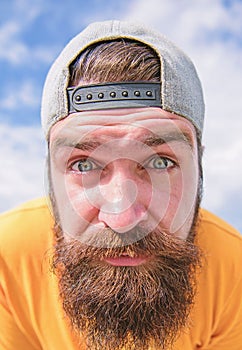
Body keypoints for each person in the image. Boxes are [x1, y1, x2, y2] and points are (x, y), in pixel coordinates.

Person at [0, 20, 241, 350]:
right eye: (83, 164)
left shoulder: (235, 273)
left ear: (199, 168)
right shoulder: (6, 263)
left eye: (161, 163)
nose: (123, 217)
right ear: (49, 179)